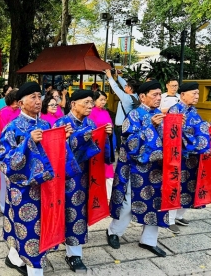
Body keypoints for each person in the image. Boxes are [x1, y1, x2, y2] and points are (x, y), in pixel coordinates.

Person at [0, 82, 59, 276]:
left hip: (46, 188)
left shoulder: (46, 124)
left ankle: (14, 258)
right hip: (23, 189)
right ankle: (34, 270)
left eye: (39, 97)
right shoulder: (12, 127)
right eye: (33, 97)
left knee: (41, 227)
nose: (38, 101)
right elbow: (2, 158)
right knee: (30, 230)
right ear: (21, 103)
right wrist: (27, 143)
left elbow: (54, 155)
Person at [106, 80, 168, 257]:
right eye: (154, 95)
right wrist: (151, 126)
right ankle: (113, 232)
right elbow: (130, 143)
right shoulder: (133, 115)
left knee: (156, 202)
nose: (158, 98)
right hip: (135, 168)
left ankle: (149, 240)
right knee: (128, 202)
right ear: (142, 97)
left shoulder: (160, 114)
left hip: (156, 168)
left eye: (159, 94)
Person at [55, 90, 112, 273]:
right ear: (73, 104)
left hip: (87, 176)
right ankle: (68, 252)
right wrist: (74, 139)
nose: (90, 106)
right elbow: (55, 153)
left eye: (91, 103)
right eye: (86, 102)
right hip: (68, 178)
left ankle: (73, 252)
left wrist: (106, 136)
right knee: (68, 213)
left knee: (79, 214)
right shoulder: (61, 123)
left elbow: (99, 149)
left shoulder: (91, 123)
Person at [167, 82, 211, 234]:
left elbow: (201, 127)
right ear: (183, 95)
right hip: (178, 157)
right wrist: (196, 141)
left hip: (191, 157)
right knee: (176, 186)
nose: (197, 96)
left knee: (189, 186)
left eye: (198, 94)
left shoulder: (192, 111)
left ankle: (179, 215)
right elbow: (175, 134)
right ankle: (170, 219)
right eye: (194, 93)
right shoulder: (175, 110)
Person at [0, 89, 20, 213]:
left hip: (20, 146)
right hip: (8, 146)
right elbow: (3, 130)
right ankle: (3, 205)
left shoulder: (21, 112)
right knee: (5, 177)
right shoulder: (4, 112)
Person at [88, 90, 116, 200]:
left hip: (107, 143)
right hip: (97, 145)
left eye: (105, 100)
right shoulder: (91, 112)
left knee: (108, 168)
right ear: (94, 101)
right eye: (101, 100)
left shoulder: (105, 111)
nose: (103, 102)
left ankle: (108, 195)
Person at [104, 69, 140, 151]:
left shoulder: (126, 98)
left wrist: (110, 76)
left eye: (127, 86)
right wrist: (118, 77)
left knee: (122, 148)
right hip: (129, 125)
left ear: (130, 88)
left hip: (122, 126)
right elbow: (124, 84)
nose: (125, 86)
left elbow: (115, 88)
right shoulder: (136, 96)